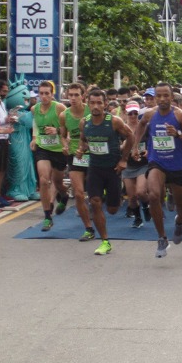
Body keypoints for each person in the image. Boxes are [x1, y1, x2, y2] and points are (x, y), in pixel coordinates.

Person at [131, 82, 182, 257]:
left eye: (165, 96)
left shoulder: (180, 116)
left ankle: (179, 220)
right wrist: (135, 146)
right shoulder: (150, 114)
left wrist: (177, 134)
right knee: (153, 195)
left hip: (178, 165)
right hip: (157, 162)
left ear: (171, 97)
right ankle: (162, 238)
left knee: (180, 203)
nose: (161, 99)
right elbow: (140, 125)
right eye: (158, 96)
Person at [78, 87, 135, 255]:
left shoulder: (114, 121)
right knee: (95, 202)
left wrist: (124, 159)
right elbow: (83, 140)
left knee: (112, 209)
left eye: (99, 103)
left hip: (113, 169)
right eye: (92, 103)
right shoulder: (85, 122)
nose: (95, 106)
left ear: (105, 105)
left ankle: (110, 200)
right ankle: (105, 241)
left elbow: (130, 136)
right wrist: (82, 149)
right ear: (87, 104)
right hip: (95, 167)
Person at [29, 80, 70, 231]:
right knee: (44, 180)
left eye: (47, 93)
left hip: (59, 149)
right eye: (41, 93)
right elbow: (36, 125)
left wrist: (57, 131)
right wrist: (34, 138)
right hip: (43, 147)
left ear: (52, 95)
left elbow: (69, 125)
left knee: (58, 182)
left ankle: (64, 195)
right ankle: (47, 216)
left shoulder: (59, 107)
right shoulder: (35, 108)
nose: (44, 96)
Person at [62, 83, 96, 241]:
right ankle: (88, 228)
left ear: (83, 96)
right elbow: (63, 135)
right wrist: (65, 144)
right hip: (76, 157)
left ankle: (94, 208)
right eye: (71, 95)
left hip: (95, 155)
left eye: (76, 95)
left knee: (95, 195)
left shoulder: (92, 111)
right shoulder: (64, 115)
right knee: (78, 194)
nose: (73, 98)